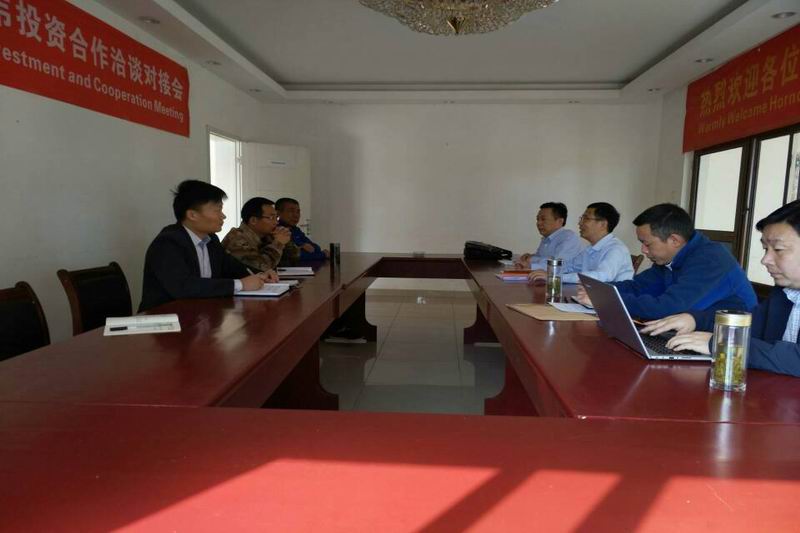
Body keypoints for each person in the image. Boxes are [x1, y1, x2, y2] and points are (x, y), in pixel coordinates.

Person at [643, 200, 800, 377]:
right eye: (765, 249)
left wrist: (722, 344)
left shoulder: (709, 256)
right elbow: (749, 325)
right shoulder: (784, 292)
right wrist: (695, 319)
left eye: (778, 249)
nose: (765, 260)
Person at [575, 203, 756, 319]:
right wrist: (599, 290)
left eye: (647, 244)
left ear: (674, 240)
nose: (643, 250)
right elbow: (637, 287)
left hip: (727, 345)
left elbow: (668, 308)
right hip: (684, 334)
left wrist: (606, 300)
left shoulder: (710, 260)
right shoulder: (670, 260)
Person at [139, 180, 274, 312]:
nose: (223, 216)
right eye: (218, 210)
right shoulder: (168, 242)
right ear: (193, 215)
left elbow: (231, 266)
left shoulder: (211, 239)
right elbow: (183, 286)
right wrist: (240, 284)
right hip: (164, 318)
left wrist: (260, 274)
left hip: (200, 313)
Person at [528, 202, 633, 284]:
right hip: (589, 297)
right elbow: (569, 266)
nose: (580, 223)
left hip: (610, 303)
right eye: (581, 218)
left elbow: (600, 276)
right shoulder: (590, 249)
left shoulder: (616, 249)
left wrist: (555, 277)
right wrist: (537, 269)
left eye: (586, 218)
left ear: (603, 224)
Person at [222, 197, 300, 272]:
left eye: (276, 218)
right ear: (253, 220)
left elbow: (294, 258)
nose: (276, 222)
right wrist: (278, 243)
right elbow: (262, 267)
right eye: (271, 218)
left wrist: (286, 240)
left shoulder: (267, 236)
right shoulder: (236, 238)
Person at [516, 202, 584, 270]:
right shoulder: (546, 238)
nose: (538, 223)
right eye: (537, 219)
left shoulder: (568, 237)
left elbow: (557, 264)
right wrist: (530, 257)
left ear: (560, 221)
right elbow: (541, 258)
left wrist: (531, 261)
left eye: (543, 219)